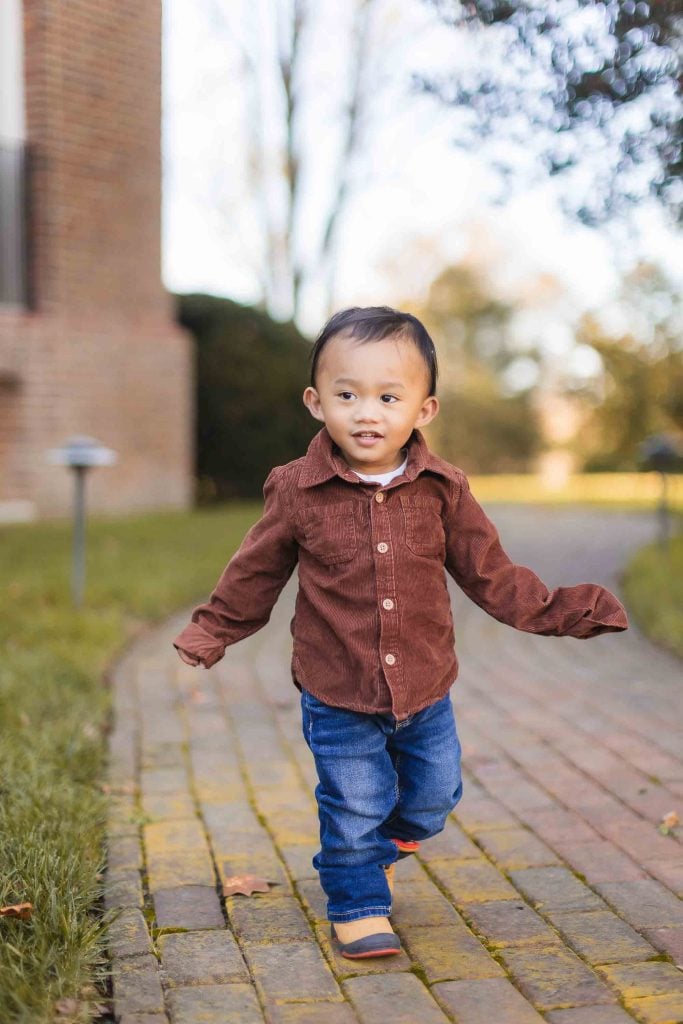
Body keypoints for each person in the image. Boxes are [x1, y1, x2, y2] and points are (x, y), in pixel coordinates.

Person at [173, 306, 629, 960]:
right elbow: (254, 572)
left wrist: (565, 611)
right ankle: (356, 898)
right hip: (337, 691)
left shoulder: (444, 490)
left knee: (433, 798)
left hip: (424, 688)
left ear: (423, 409)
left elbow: (491, 576)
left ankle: (369, 853)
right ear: (314, 402)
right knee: (353, 804)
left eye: (388, 397)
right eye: (346, 395)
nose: (367, 413)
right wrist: (211, 631)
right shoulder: (296, 491)